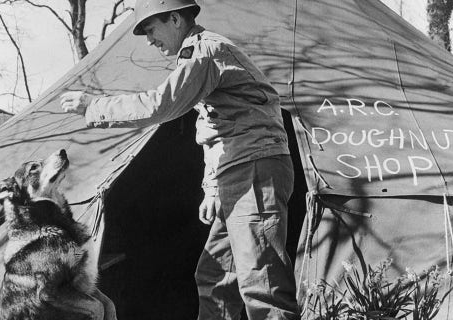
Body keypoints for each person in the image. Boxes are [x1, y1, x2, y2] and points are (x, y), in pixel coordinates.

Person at [60, 1, 299, 319]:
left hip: (253, 168)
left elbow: (161, 105)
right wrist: (213, 187)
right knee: (215, 280)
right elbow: (219, 127)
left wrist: (93, 106)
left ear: (174, 19)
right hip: (238, 173)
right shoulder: (203, 57)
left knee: (262, 284)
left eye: (151, 29)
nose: (149, 40)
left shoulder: (204, 51)